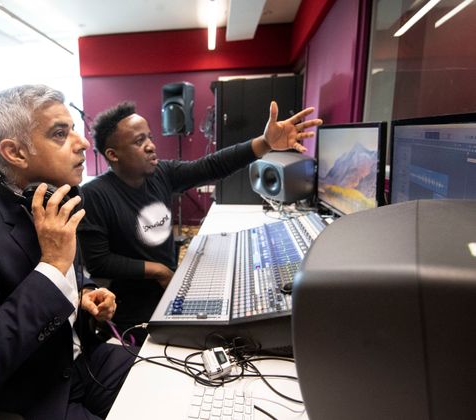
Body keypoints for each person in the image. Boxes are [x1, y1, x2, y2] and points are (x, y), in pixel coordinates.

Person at [0, 84, 135, 419]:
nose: (83, 143)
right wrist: (51, 266)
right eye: (60, 134)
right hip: (35, 394)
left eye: (73, 129)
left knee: (171, 385)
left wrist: (85, 293)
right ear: (16, 153)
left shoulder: (54, 199)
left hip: (82, 361)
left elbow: (65, 282)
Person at [78, 101, 322, 344]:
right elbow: (99, 262)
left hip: (168, 288)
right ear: (113, 154)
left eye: (149, 137)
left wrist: (265, 143)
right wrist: (159, 271)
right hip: (131, 308)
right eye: (139, 141)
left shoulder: (161, 173)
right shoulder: (95, 195)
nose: (151, 146)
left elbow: (211, 166)